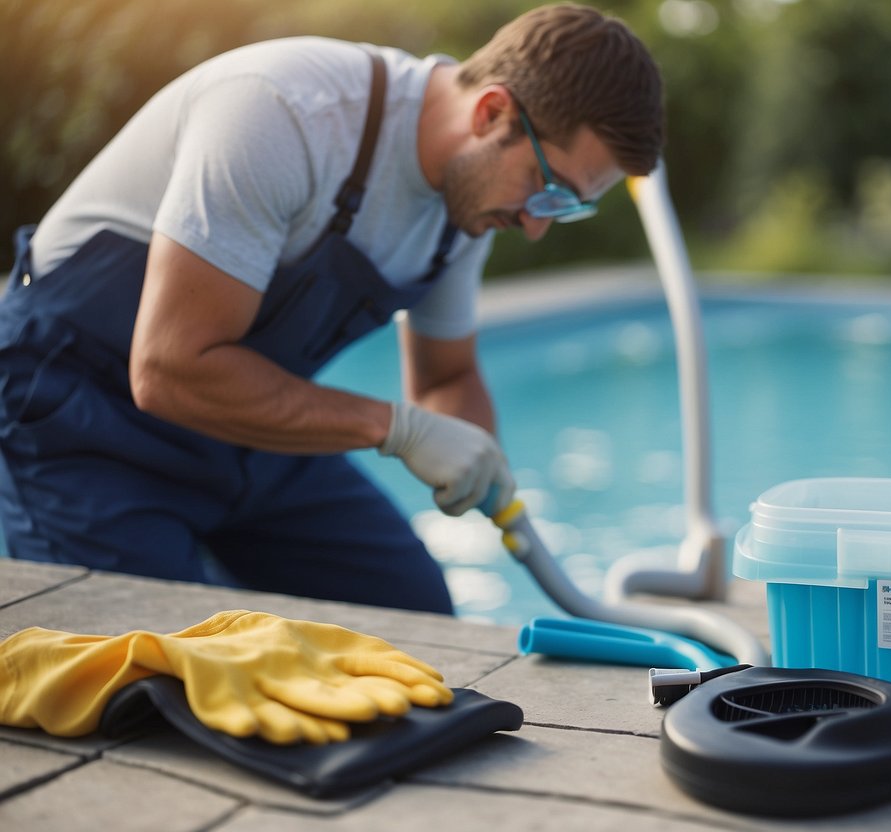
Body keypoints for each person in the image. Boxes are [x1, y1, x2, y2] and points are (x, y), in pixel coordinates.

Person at [0, 4, 665, 613]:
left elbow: (446, 379)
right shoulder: (284, 113)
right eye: (546, 191)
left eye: (565, 208)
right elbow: (169, 368)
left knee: (416, 621)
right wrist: (399, 429)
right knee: (149, 675)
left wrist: (474, 456)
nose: (536, 225)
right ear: (491, 113)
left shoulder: (468, 201)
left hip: (240, 429)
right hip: (76, 420)